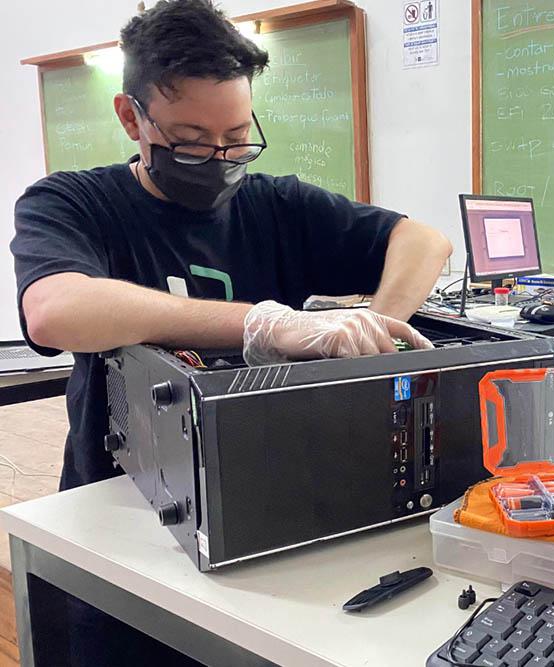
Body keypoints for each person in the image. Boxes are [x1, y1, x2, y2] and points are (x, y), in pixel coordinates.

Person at [10, 3, 450, 663]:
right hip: (122, 520)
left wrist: (378, 329)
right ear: (131, 117)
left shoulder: (276, 204)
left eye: (237, 138)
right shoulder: (74, 203)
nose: (218, 159)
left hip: (269, 516)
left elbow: (423, 241)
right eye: (190, 140)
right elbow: (55, 309)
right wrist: (261, 321)